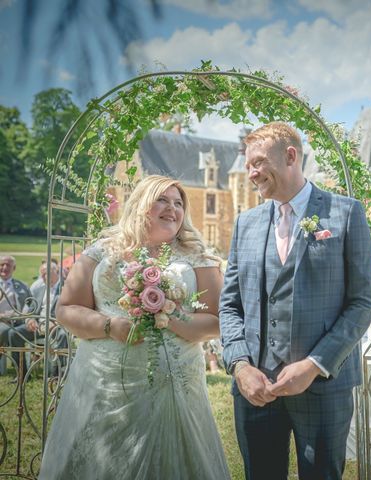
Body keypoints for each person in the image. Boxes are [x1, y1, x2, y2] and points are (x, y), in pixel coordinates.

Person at [39, 175, 231, 479]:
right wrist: (109, 325)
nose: (172, 209)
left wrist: (169, 315)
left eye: (179, 203)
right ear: (141, 204)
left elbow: (219, 321)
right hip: (104, 385)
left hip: (173, 388)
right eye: (163, 200)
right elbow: (65, 309)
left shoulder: (196, 254)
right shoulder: (102, 250)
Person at [219, 122, 371, 480]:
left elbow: (362, 302)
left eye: (258, 163)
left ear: (291, 156)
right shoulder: (246, 223)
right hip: (254, 389)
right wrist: (241, 367)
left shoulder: (346, 213)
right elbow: (230, 305)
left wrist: (314, 365)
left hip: (323, 388)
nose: (251, 173)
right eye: (247, 166)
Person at [8, 261, 66, 380]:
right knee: (14, 333)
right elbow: (30, 308)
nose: (45, 277)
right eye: (42, 274)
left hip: (57, 325)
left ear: (57, 272)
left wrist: (56, 322)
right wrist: (29, 319)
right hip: (38, 325)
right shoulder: (40, 289)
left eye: (48, 273)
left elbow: (70, 310)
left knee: (63, 335)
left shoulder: (65, 288)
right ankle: (21, 374)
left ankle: (55, 376)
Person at [0, 256, 32, 375]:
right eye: (2, 264)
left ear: (14, 268)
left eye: (8, 265)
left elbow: (30, 302)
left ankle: (21, 373)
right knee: (6, 331)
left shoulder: (21, 285)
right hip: (2, 321)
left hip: (19, 320)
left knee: (16, 333)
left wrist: (26, 314)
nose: (4, 267)